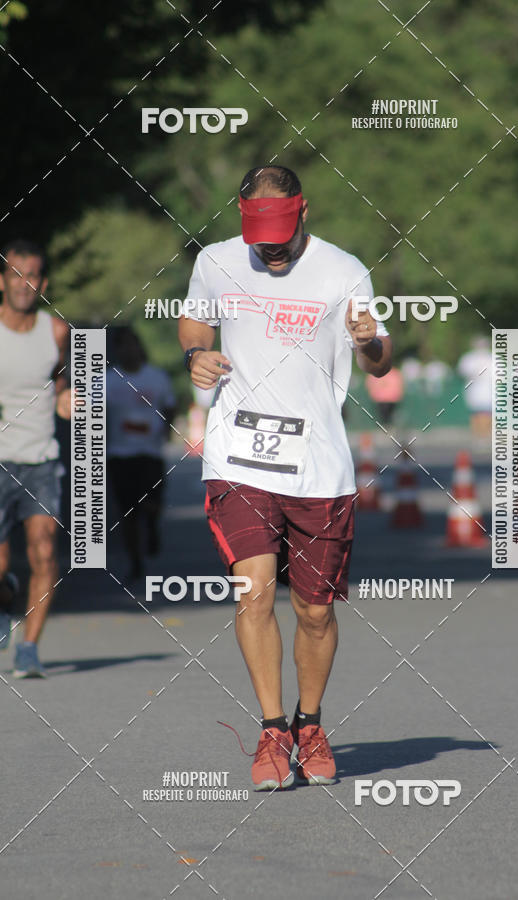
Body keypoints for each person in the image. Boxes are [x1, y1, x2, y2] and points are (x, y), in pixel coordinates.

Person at [179, 165, 392, 790]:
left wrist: (367, 341)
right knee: (254, 592)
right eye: (259, 240)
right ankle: (273, 730)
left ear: (304, 212)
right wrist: (197, 354)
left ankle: (310, 724)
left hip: (319, 465)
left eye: (279, 239)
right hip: (238, 456)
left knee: (315, 611)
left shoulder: (344, 270)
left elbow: (379, 365)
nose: (269, 251)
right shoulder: (216, 260)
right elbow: (195, 321)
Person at [0, 239, 70, 677]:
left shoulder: (57, 331)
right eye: (15, 274)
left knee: (44, 551)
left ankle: (28, 647)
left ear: (42, 284)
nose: (23, 283)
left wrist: (66, 397)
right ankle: (6, 594)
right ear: (2, 281)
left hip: (41, 460)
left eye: (32, 276)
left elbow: (62, 379)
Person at [106, 326, 175, 583]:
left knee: (152, 502)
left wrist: (166, 430)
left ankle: (153, 526)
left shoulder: (156, 377)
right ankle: (135, 561)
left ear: (139, 347)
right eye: (122, 346)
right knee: (128, 511)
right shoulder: (107, 380)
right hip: (119, 453)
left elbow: (169, 406)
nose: (128, 350)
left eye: (131, 344)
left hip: (150, 452)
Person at [457, 336, 494, 437]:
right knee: (476, 414)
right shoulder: (468, 358)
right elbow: (463, 372)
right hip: (474, 390)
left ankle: (486, 434)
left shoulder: (492, 357)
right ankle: (478, 435)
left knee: (487, 413)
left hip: (488, 390)